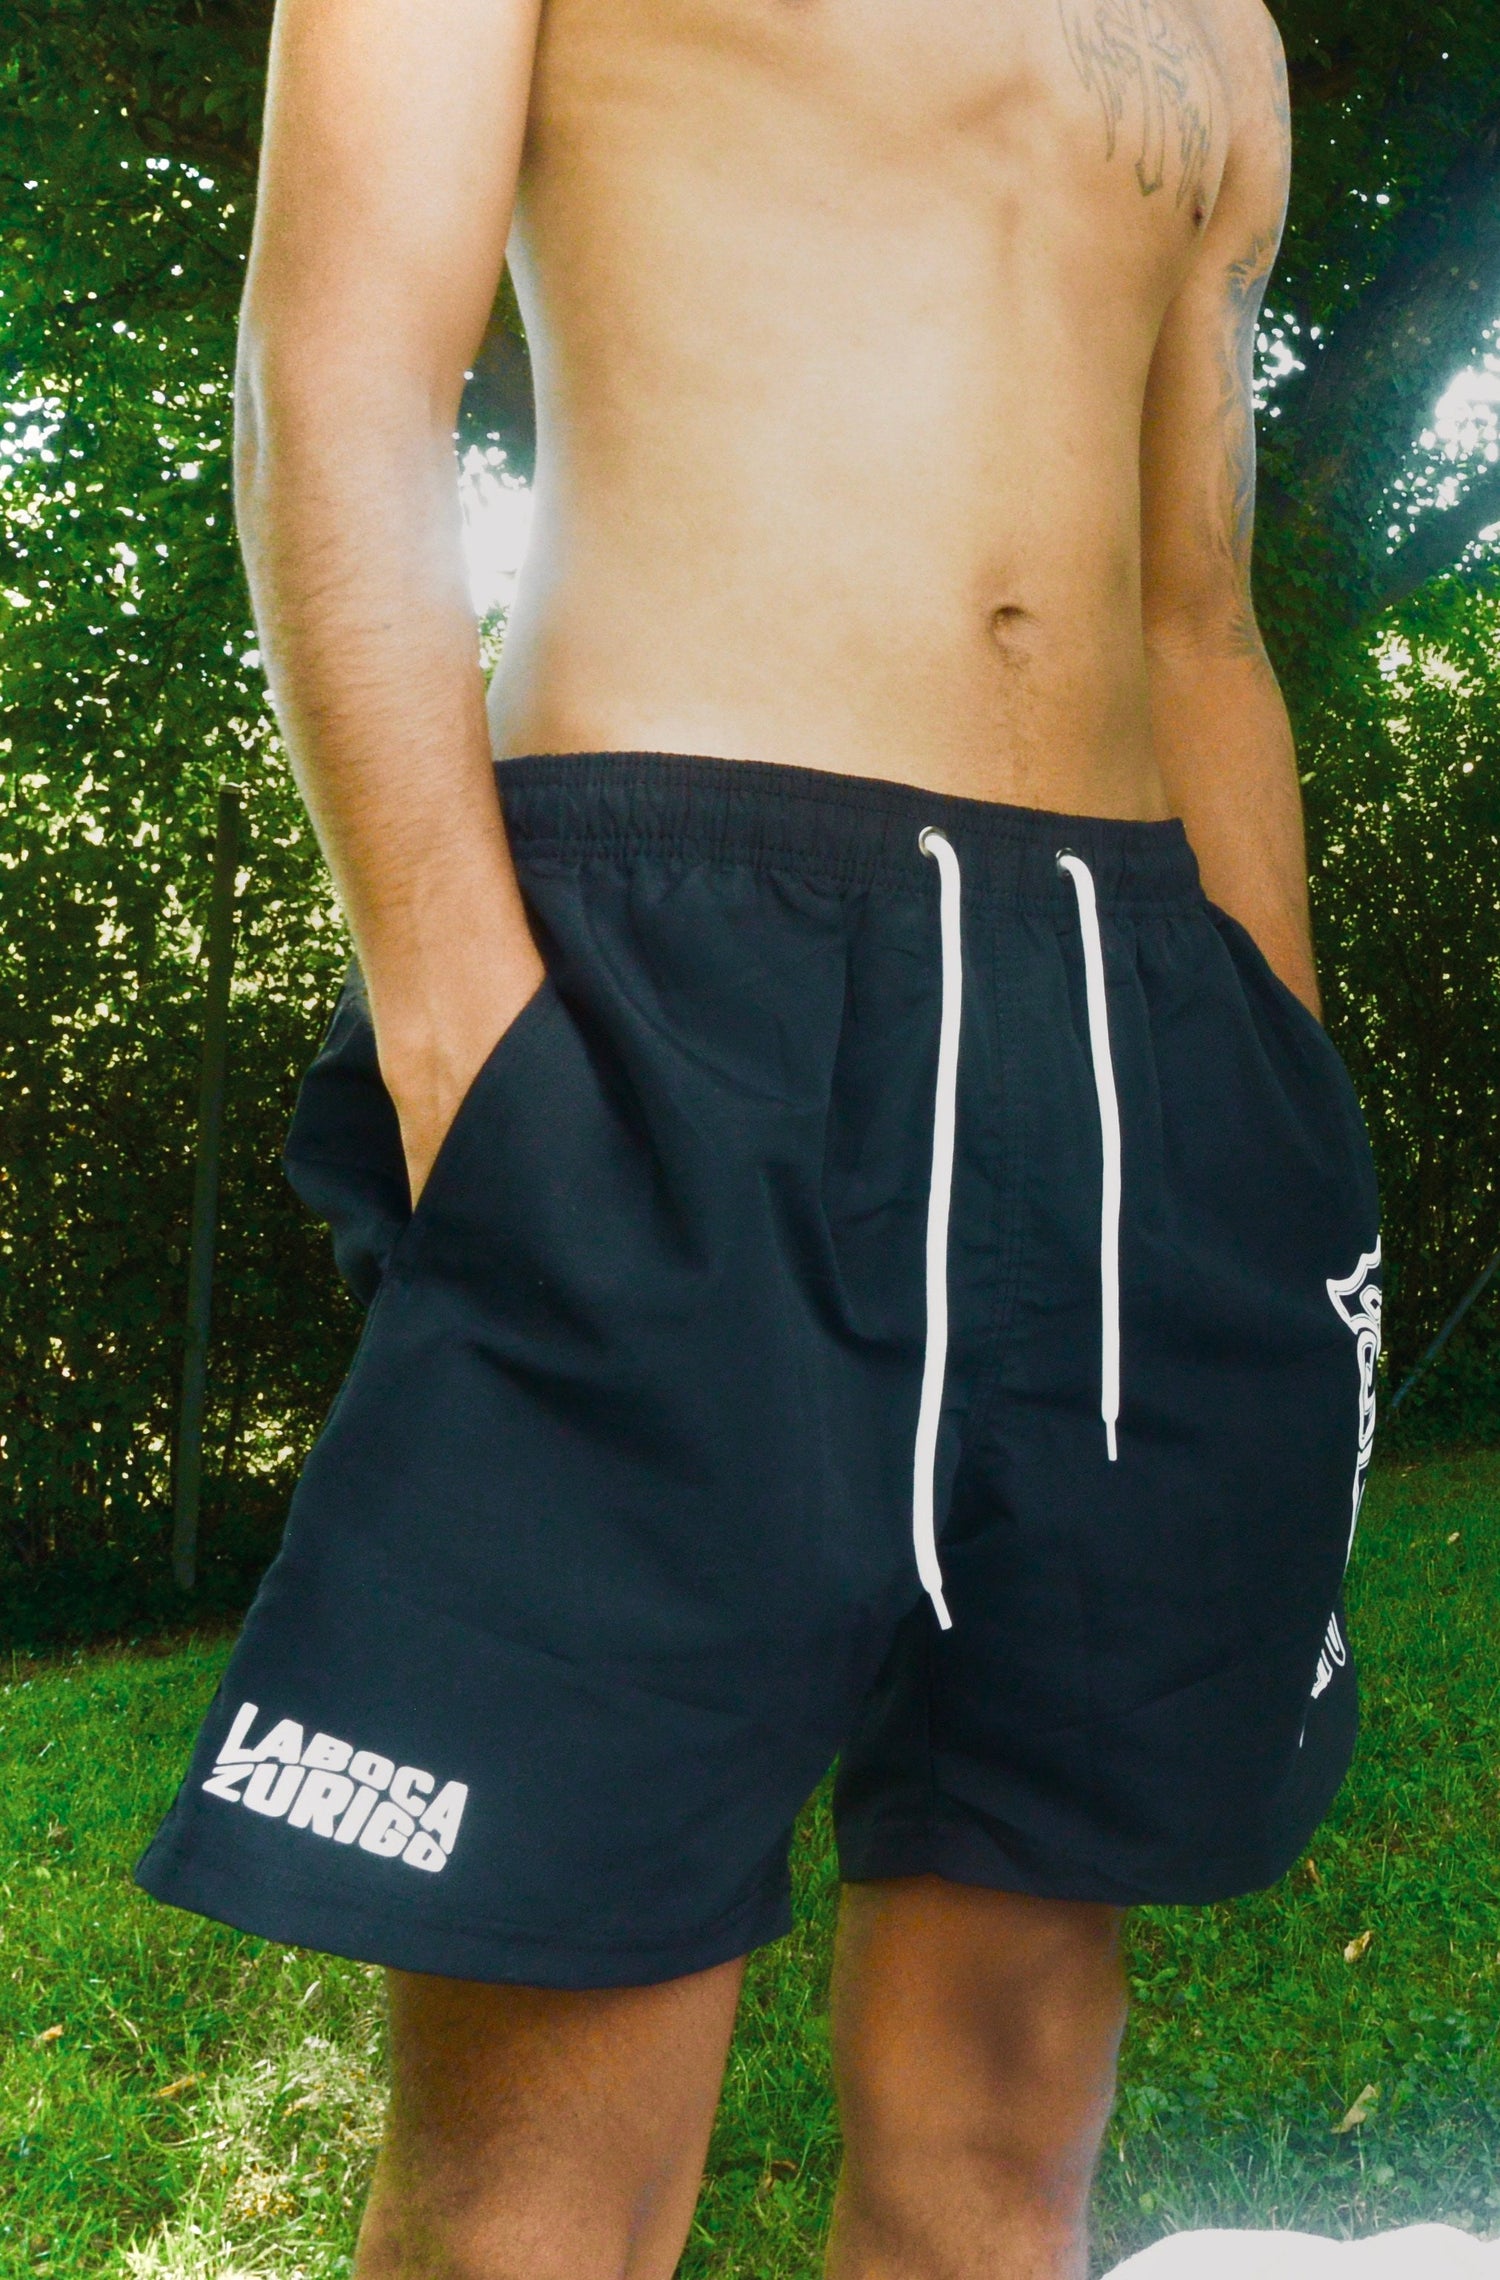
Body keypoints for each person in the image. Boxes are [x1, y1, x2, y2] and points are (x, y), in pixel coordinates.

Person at [135, 0, 1382, 2272]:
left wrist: (1276, 1089)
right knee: (536, 2185)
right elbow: (336, 377)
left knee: (1008, 2118)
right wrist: (465, 1038)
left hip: (1133, 1017)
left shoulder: (1224, 33)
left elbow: (1197, 613)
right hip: (671, 979)